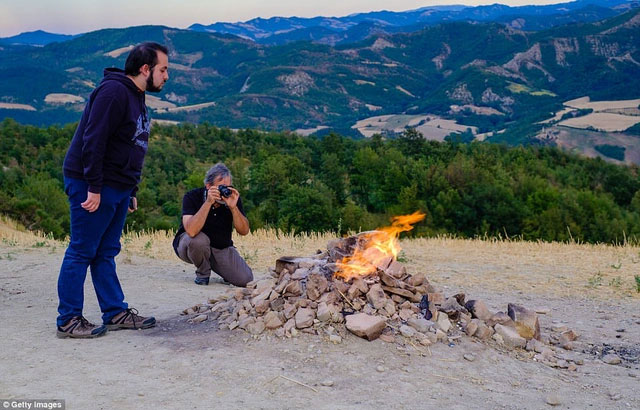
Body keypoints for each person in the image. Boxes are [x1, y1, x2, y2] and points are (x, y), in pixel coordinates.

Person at [56, 42, 170, 338]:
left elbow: (131, 145)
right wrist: (93, 187)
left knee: (106, 251)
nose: (166, 76)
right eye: (163, 69)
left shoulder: (136, 95)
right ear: (145, 69)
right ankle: (68, 320)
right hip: (92, 183)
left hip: (117, 186)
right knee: (82, 250)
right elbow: (93, 140)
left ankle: (114, 311)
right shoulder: (114, 92)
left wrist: (131, 190)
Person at [173, 163, 254, 287]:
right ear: (208, 186)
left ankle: (223, 271)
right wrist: (208, 203)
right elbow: (191, 231)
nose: (225, 191)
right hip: (190, 246)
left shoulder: (232, 199)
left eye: (228, 187)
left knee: (246, 279)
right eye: (221, 187)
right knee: (198, 241)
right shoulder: (192, 196)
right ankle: (203, 274)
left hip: (220, 247)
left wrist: (233, 208)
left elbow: (244, 231)